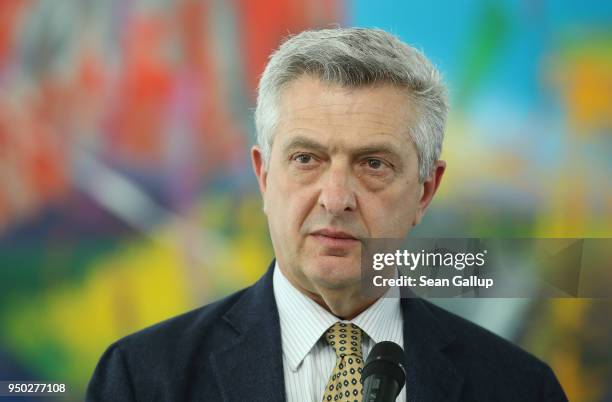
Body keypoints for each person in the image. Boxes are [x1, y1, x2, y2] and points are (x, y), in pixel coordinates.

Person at [86, 27, 567, 402]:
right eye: (306, 159)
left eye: (373, 164)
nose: (335, 198)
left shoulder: (520, 387)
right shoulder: (142, 377)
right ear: (264, 176)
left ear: (425, 191)